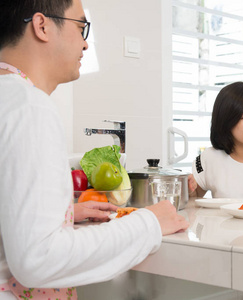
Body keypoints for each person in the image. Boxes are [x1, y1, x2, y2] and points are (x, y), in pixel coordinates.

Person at [0, 1, 189, 299]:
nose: (86, 44)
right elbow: (38, 259)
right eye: (80, 27)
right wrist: (149, 223)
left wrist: (61, 213)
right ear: (42, 25)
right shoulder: (30, 107)